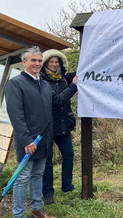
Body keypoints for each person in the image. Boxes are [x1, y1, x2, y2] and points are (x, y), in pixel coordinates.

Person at [5, 47, 56, 218]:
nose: (37, 63)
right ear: (24, 62)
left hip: (43, 140)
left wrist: (73, 86)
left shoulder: (45, 84)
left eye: (39, 61)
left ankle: (37, 208)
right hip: (28, 141)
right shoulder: (15, 83)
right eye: (33, 60)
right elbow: (16, 115)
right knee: (22, 178)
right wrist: (27, 140)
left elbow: (49, 111)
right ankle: (18, 214)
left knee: (38, 174)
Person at [40, 49, 78, 204]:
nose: (54, 64)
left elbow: (83, 70)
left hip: (64, 126)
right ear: (46, 64)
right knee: (47, 161)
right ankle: (48, 192)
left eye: (57, 62)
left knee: (69, 155)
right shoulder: (42, 81)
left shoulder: (64, 78)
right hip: (47, 127)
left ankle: (67, 186)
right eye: (51, 62)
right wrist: (73, 87)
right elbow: (56, 101)